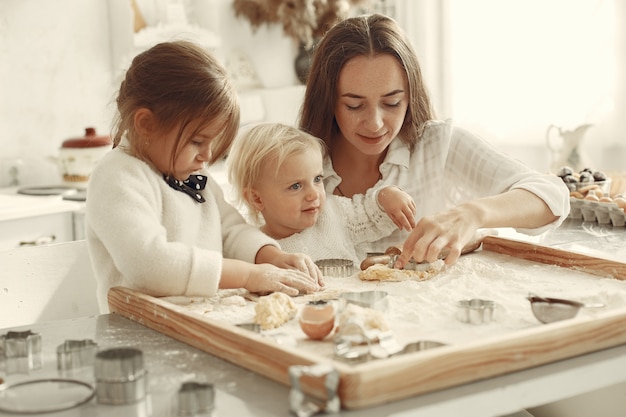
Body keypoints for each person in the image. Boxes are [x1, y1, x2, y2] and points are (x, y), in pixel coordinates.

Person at [299, 14, 570, 268]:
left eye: (392, 103)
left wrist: (472, 214)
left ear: (410, 96)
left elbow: (551, 196)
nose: (375, 123)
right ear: (328, 101)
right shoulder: (296, 161)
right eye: (354, 106)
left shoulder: (438, 145)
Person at [86, 41, 322, 313]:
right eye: (197, 141)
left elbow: (231, 231)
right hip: (140, 333)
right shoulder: (118, 177)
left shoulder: (193, 173)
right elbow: (149, 264)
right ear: (146, 124)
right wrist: (247, 276)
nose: (207, 155)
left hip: (201, 320)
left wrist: (271, 257)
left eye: (212, 142)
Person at [226, 122, 416, 265]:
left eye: (317, 179)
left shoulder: (334, 213)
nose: (313, 195)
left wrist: (386, 196)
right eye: (296, 186)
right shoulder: (255, 248)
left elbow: (371, 215)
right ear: (257, 199)